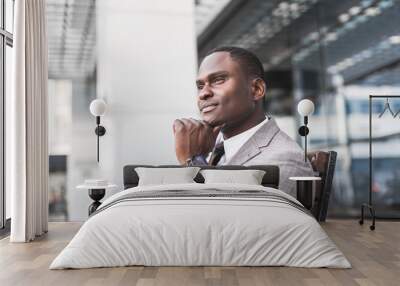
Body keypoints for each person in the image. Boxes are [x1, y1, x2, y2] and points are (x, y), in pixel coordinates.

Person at [173, 46, 314, 197]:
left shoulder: (284, 161)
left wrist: (192, 163)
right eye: (200, 86)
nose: (204, 93)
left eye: (218, 80)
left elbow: (219, 218)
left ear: (257, 89)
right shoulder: (210, 147)